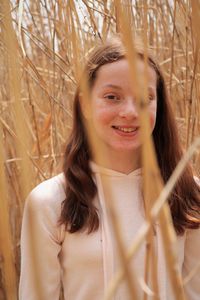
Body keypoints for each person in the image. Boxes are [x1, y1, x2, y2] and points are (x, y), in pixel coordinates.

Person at [19, 37, 200, 300]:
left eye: (144, 97)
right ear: (85, 104)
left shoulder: (189, 193)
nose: (129, 111)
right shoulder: (50, 201)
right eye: (112, 97)